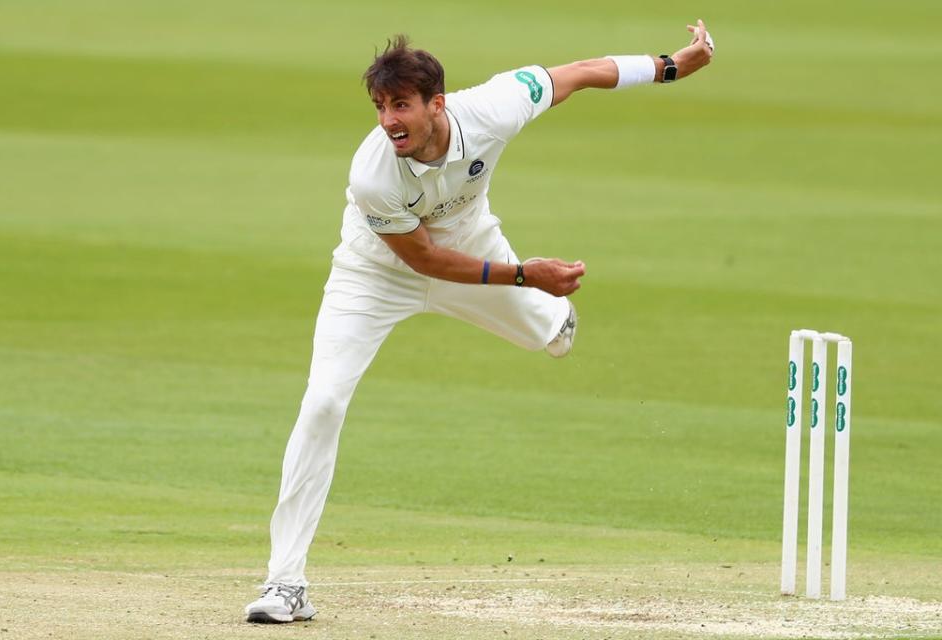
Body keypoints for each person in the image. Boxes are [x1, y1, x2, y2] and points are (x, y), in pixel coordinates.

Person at [244, 21, 714, 623]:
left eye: (401, 105)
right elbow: (425, 262)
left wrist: (671, 66)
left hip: (475, 245)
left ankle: (552, 317)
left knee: (549, 334)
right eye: (381, 106)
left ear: (437, 104)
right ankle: (286, 584)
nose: (389, 121)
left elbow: (578, 73)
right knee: (323, 404)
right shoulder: (373, 174)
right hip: (374, 277)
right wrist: (525, 275)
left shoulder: (494, 107)